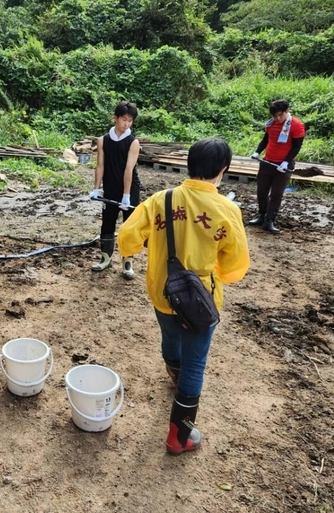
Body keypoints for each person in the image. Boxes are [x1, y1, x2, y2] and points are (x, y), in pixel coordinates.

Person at [117, 138, 250, 455]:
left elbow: (126, 239)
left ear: (188, 165)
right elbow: (234, 267)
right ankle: (179, 437)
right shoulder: (227, 210)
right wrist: (214, 268)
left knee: (169, 335)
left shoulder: (159, 200)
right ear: (223, 171)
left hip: (163, 292)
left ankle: (173, 375)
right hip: (200, 302)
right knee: (196, 364)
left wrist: (146, 246)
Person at [88, 101, 141, 279]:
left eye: (130, 121)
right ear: (116, 118)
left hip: (129, 189)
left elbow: (128, 169)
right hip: (110, 187)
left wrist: (126, 195)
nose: (126, 124)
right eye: (124, 119)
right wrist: (96, 189)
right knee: (108, 223)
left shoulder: (133, 143)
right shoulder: (103, 140)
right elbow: (100, 165)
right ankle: (105, 258)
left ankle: (127, 262)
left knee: (129, 226)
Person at [249, 99, 306, 234]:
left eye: (280, 115)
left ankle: (270, 220)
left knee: (276, 194)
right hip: (267, 162)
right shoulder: (271, 124)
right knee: (261, 191)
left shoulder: (297, 126)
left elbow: (297, 147)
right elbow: (266, 139)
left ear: (287, 111)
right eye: (274, 116)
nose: (277, 118)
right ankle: (262, 216)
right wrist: (257, 152)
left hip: (284, 165)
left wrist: (286, 161)